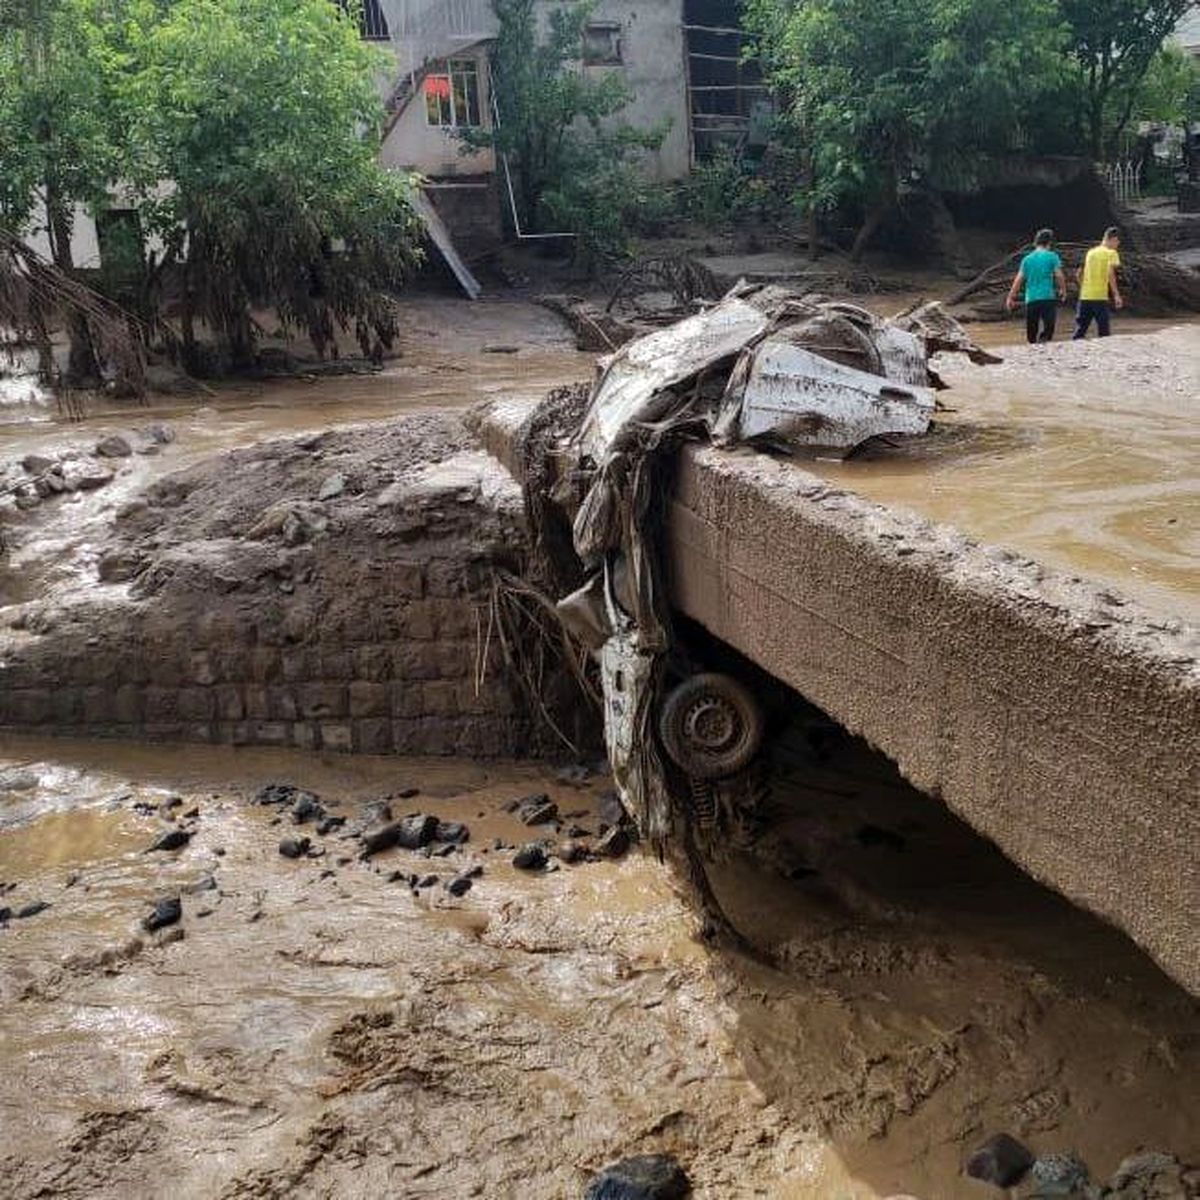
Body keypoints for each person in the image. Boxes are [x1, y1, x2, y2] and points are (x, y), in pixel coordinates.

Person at [1005, 229, 1066, 343]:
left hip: (1031, 299)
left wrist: (1010, 297)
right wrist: (1063, 289)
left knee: (1032, 329)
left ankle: (1033, 345)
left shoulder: (1027, 259)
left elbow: (1018, 279)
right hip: (1047, 297)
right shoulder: (1052, 256)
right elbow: (1059, 275)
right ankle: (1044, 341)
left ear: (1036, 242)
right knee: (1049, 327)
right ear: (1050, 243)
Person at [1073, 226, 1124, 339]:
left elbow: (1078, 274)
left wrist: (1084, 287)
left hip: (1085, 296)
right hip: (1099, 296)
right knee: (1104, 331)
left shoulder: (1090, 253)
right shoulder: (1111, 253)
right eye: (1118, 242)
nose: (1118, 245)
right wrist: (1116, 295)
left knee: (1080, 329)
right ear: (1113, 239)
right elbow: (1110, 273)